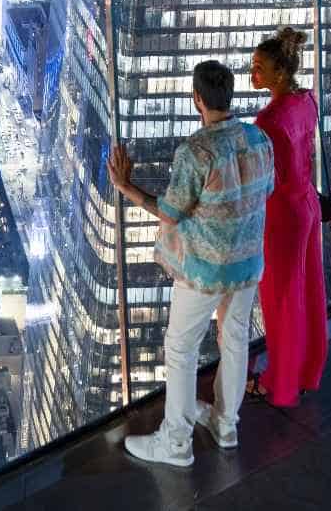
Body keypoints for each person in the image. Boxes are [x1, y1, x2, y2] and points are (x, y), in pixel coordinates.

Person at [108, 59, 275, 468]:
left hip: (204, 269)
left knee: (180, 349)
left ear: (197, 98)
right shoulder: (259, 140)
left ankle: (176, 443)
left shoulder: (196, 152)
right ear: (229, 95)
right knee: (234, 340)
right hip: (248, 263)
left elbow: (170, 213)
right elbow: (265, 191)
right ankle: (226, 425)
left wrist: (125, 186)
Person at [249, 26, 329, 406]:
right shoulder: (307, 101)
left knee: (281, 300)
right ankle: (307, 369)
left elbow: (270, 179)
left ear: (280, 71)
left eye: (259, 67)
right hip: (308, 204)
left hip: (282, 213)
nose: (253, 75)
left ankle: (277, 382)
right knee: (308, 290)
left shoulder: (268, 121)